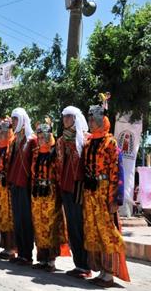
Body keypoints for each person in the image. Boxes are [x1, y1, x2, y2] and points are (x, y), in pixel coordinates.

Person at [83, 104, 130, 287]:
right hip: (90, 193)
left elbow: (117, 171)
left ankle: (109, 274)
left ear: (102, 121)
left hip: (104, 192)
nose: (90, 122)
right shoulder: (88, 142)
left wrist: (115, 199)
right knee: (93, 231)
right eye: (89, 119)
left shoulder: (111, 143)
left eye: (93, 120)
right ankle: (102, 270)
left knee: (106, 232)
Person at [56, 106, 91, 279]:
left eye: (69, 117)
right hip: (65, 188)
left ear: (76, 118)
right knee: (71, 226)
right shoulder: (61, 140)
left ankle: (86, 265)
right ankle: (79, 265)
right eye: (64, 117)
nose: (65, 120)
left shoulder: (85, 139)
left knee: (79, 225)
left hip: (79, 188)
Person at [31, 119, 67, 272]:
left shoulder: (55, 152)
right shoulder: (35, 153)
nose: (40, 139)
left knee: (50, 226)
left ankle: (51, 260)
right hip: (38, 193)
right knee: (38, 225)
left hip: (51, 194)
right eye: (38, 136)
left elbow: (59, 173)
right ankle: (42, 259)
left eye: (43, 136)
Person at [7, 107, 37, 266]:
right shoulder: (14, 140)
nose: (13, 122)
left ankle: (27, 254)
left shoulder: (31, 140)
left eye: (16, 119)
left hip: (25, 186)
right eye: (12, 119)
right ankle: (20, 253)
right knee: (17, 220)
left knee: (26, 220)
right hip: (15, 184)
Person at [0, 118, 16, 260]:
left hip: (7, 187)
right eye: (0, 131)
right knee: (1, 216)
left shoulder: (11, 146)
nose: (1, 134)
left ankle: (12, 248)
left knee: (9, 217)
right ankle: (5, 247)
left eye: (4, 131)